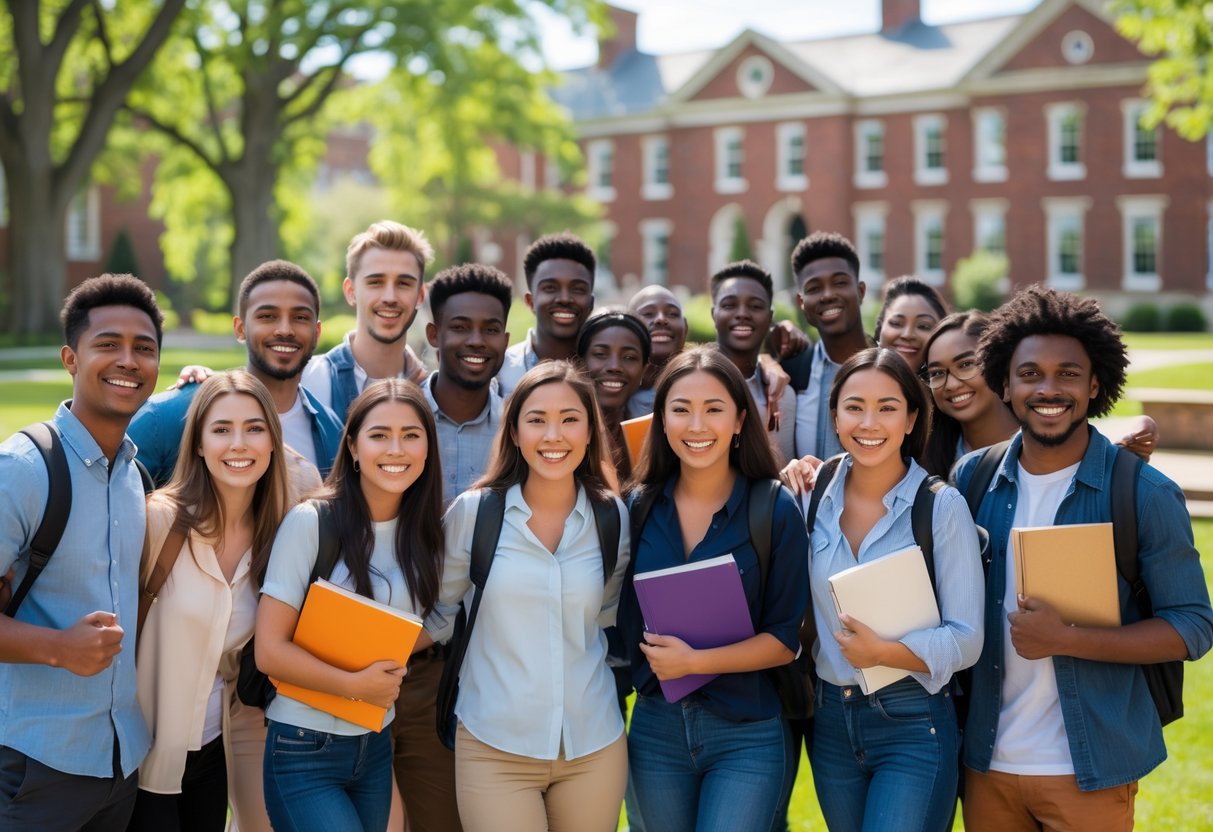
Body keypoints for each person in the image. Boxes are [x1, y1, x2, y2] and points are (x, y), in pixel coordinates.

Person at [953, 285, 1213, 830]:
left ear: (1095, 384)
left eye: (1068, 373)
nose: (1049, 389)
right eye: (1030, 374)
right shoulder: (971, 480)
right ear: (1004, 382)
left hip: (1089, 769)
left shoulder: (1143, 494)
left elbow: (1192, 628)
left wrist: (1068, 640)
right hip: (985, 766)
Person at [426, 361, 630, 832]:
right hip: (495, 745)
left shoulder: (611, 518)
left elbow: (603, 617)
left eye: (569, 419)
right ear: (514, 432)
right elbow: (441, 611)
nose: (553, 435)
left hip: (592, 745)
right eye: (536, 419)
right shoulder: (474, 515)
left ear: (589, 432)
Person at [619, 346, 809, 832]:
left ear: (740, 421)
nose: (697, 425)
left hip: (746, 732)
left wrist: (696, 663)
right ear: (661, 421)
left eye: (714, 409)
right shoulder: (636, 508)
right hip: (657, 728)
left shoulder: (774, 509)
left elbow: (786, 640)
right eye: (680, 410)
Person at [0, 274, 163, 830]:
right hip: (35, 765)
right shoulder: (24, 469)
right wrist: (58, 648)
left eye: (144, 348)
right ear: (71, 358)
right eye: (108, 345)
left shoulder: (135, 478)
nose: (128, 360)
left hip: (119, 765)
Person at [255, 379, 445, 832]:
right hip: (303, 747)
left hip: (374, 745)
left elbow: (429, 622)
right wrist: (356, 684)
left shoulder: (426, 535)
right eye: (379, 435)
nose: (395, 449)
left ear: (427, 450)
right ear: (354, 448)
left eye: (411, 435)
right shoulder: (311, 522)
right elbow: (269, 651)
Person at [806, 347, 984, 832]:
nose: (869, 422)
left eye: (887, 407)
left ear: (911, 419)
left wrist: (884, 651)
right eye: (854, 406)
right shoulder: (812, 492)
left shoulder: (941, 507)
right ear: (836, 416)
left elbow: (967, 638)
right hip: (829, 722)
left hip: (913, 719)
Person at [131, 371, 298, 832]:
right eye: (221, 429)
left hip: (212, 755)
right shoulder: (158, 522)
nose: (239, 444)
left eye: (255, 428)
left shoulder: (279, 538)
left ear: (273, 442)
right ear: (199, 444)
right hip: (139, 761)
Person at [131, 260, 343, 482]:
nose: (284, 330)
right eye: (267, 316)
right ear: (240, 329)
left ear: (317, 332)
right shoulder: (174, 411)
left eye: (300, 318)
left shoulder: (332, 430)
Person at [920, 311, 1159, 479]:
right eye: (937, 373)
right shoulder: (930, 457)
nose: (951, 384)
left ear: (997, 365)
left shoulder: (1050, 431)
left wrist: (1141, 427)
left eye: (965, 365)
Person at [302, 221, 433, 421]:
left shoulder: (432, 396)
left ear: (420, 295)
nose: (390, 297)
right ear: (351, 292)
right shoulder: (308, 383)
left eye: (403, 283)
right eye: (375, 282)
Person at [421, 262, 513, 507]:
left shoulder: (516, 431)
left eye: (490, 329)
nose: (476, 341)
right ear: (433, 335)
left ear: (505, 341)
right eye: (460, 327)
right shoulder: (399, 420)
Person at [791, 231, 871, 462]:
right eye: (814, 288)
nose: (827, 295)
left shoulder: (893, 369)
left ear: (861, 291)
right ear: (801, 303)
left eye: (840, 283)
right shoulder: (791, 375)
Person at [711, 261, 797, 466]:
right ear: (713, 314)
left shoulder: (783, 396)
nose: (742, 314)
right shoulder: (690, 385)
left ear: (770, 318)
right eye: (729, 305)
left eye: (755, 306)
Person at [497, 233, 597, 398]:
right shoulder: (500, 371)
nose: (564, 299)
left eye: (578, 289)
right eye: (550, 288)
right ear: (530, 301)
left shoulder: (604, 371)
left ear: (591, 303)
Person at [575, 309, 651, 484]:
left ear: (643, 371)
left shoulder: (652, 437)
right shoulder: (561, 435)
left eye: (629, 357)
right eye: (600, 354)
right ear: (580, 363)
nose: (614, 366)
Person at [626, 286, 688, 419]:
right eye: (648, 314)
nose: (661, 319)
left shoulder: (704, 380)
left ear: (686, 328)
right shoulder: (613, 386)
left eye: (672, 314)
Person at [873, 275, 948, 373]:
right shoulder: (855, 381)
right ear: (880, 328)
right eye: (896, 323)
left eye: (923, 326)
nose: (907, 335)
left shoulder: (957, 387)